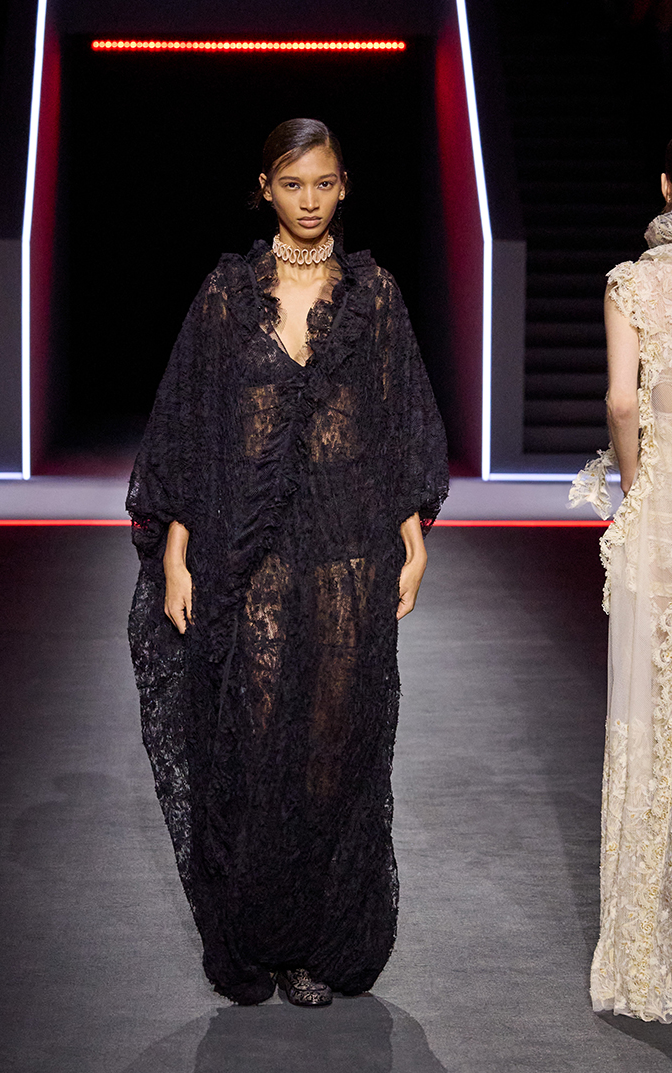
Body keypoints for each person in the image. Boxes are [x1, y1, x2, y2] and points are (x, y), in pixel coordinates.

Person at [127, 119, 449, 1007]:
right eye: (293, 183)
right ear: (265, 187)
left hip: (349, 544)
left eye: (324, 183)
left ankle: (310, 942)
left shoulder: (373, 294)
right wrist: (179, 553)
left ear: (345, 186)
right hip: (251, 546)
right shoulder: (229, 295)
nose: (310, 200)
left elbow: (396, 424)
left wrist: (414, 540)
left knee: (334, 740)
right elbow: (193, 428)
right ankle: (256, 932)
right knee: (256, 730)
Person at [569, 140, 672, 1021]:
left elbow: (623, 401)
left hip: (663, 505)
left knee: (647, 718)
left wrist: (636, 491)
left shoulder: (633, 282)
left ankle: (645, 953)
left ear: (667, 183)